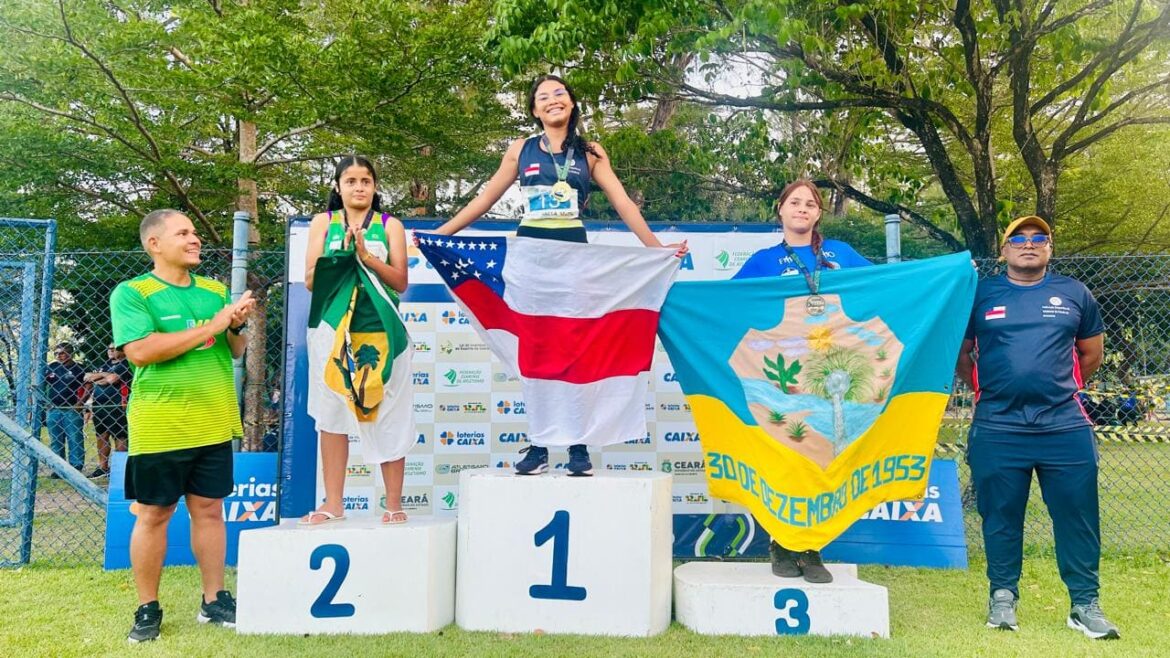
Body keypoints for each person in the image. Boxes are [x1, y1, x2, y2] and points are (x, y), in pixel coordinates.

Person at [427, 74, 686, 477]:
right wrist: (440, 235)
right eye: (543, 97)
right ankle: (539, 442)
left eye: (559, 94)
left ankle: (578, 447)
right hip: (531, 258)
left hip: (572, 257)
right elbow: (487, 197)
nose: (552, 101)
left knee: (574, 347)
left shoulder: (592, 151)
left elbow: (621, 201)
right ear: (534, 109)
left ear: (571, 103)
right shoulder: (521, 149)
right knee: (536, 350)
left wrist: (656, 249)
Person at [956, 216, 1118, 639]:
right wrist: (989, 387)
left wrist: (1052, 389)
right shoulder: (981, 292)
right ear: (1004, 249)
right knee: (1000, 516)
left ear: (1049, 248)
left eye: (1038, 238)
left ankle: (1084, 604)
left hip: (1063, 425)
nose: (1029, 244)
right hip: (998, 424)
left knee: (1077, 515)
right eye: (1019, 238)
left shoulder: (1074, 293)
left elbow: (1090, 355)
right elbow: (963, 352)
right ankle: (1003, 598)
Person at [110, 209, 256, 643]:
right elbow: (139, 351)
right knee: (155, 515)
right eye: (184, 233)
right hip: (162, 425)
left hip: (213, 423)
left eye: (195, 233)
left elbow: (232, 351)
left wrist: (236, 323)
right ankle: (147, 608)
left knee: (209, 511)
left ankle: (214, 601)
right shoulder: (133, 293)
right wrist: (211, 325)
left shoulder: (213, 290)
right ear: (155, 244)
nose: (195, 239)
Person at [731, 179, 872, 584]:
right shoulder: (762, 261)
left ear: (818, 213)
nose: (802, 209)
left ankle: (812, 548)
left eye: (810, 204)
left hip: (832, 377)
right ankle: (781, 542)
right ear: (780, 209)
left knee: (822, 458)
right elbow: (725, 304)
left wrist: (948, 273)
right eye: (795, 202)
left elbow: (886, 285)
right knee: (784, 457)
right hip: (781, 377)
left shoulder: (839, 254)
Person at [302, 156, 414, 526]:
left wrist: (366, 257)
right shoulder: (323, 222)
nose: (359, 187)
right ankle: (333, 503)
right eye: (350, 181)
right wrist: (342, 255)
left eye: (366, 180)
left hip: (379, 329)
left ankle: (394, 504)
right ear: (338, 186)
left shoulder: (389, 225)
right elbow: (310, 280)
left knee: (387, 412)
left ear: (376, 187)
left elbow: (399, 281)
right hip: (333, 331)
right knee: (332, 413)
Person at [84, 343, 132, 478]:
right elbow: (87, 377)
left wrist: (100, 376)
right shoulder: (103, 364)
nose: (110, 351)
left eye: (113, 348)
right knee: (101, 436)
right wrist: (103, 375)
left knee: (120, 437)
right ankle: (103, 467)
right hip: (99, 406)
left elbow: (111, 380)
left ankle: (120, 469)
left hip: (118, 406)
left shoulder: (126, 363)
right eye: (108, 348)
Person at [44, 343, 88, 474]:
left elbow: (88, 386)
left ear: (70, 353)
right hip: (53, 409)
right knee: (56, 440)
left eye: (62, 353)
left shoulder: (79, 369)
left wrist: (80, 403)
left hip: (71, 409)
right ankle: (58, 469)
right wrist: (46, 402)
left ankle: (76, 467)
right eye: (56, 353)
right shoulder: (51, 367)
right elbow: (43, 384)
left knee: (74, 438)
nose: (59, 356)